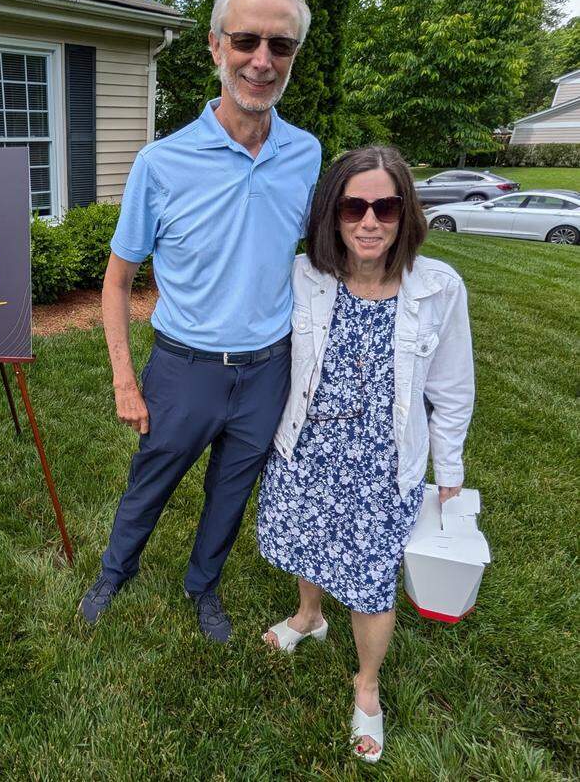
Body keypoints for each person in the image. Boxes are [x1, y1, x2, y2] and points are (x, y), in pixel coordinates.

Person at [77, 0, 321, 643]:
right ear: (216, 47)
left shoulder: (305, 154)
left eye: (281, 46)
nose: (262, 60)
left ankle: (202, 585)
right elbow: (117, 280)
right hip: (184, 369)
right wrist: (126, 378)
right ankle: (114, 570)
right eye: (246, 40)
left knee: (229, 495)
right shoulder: (161, 163)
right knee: (149, 482)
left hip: (267, 368)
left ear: (293, 57)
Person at [256, 145, 474, 763]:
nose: (369, 221)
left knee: (372, 585)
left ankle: (367, 686)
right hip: (308, 449)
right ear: (333, 214)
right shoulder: (306, 275)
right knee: (310, 543)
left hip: (383, 466)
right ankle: (308, 617)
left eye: (386, 206)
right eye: (354, 206)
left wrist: (449, 469)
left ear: (406, 213)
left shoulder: (438, 288)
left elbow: (452, 389)